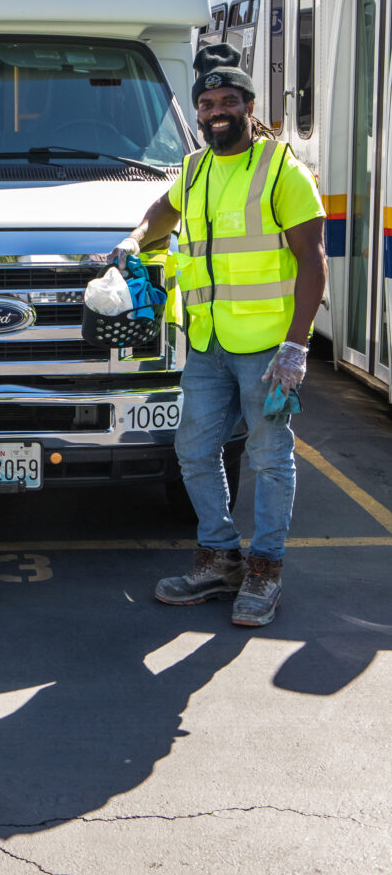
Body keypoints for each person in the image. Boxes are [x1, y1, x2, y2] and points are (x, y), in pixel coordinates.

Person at [108, 43, 326, 626]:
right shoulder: (197, 168)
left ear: (250, 107)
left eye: (228, 102)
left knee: (270, 457)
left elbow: (313, 260)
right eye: (206, 104)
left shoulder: (282, 169)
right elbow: (165, 210)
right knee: (194, 451)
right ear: (198, 114)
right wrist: (135, 239)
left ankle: (266, 570)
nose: (216, 112)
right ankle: (220, 557)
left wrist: (297, 346)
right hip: (207, 342)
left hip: (267, 347)